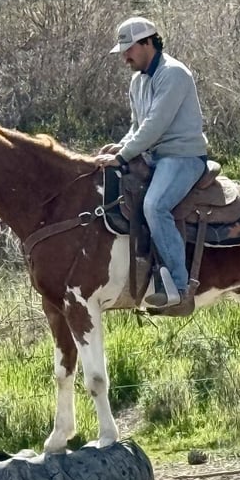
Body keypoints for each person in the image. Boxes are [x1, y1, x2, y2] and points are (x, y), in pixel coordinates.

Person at [94, 16, 208, 309]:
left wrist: (122, 155)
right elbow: (137, 126)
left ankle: (180, 288)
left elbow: (155, 125)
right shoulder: (137, 82)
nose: (124, 57)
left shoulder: (174, 74)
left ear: (148, 43)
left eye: (128, 49)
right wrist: (119, 147)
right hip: (153, 156)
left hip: (182, 157)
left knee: (155, 205)